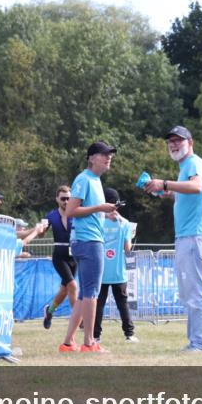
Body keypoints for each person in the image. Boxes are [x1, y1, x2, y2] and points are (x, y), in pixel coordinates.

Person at [145, 126, 202, 353]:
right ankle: (196, 341)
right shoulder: (186, 166)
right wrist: (169, 192)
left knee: (195, 292)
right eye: (170, 141)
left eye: (178, 140)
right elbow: (189, 191)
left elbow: (197, 186)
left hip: (193, 236)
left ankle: (201, 343)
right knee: (189, 292)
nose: (173, 144)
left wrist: (165, 184)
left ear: (190, 143)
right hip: (188, 236)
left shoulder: (193, 163)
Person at [60, 141, 118, 353]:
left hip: (86, 240)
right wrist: (99, 208)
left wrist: (105, 213)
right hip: (89, 241)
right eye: (104, 154)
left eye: (110, 154)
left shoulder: (94, 180)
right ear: (91, 158)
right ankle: (89, 343)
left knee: (85, 294)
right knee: (92, 293)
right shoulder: (84, 179)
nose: (108, 157)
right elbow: (71, 211)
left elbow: (87, 211)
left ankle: (68, 343)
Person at [93, 188, 138, 343]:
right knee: (122, 304)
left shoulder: (97, 221)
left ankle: (95, 336)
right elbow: (128, 249)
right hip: (118, 271)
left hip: (101, 271)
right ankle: (129, 334)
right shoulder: (125, 224)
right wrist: (131, 235)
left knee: (98, 304)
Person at [42, 185, 77, 330]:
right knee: (73, 286)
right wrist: (41, 229)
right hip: (59, 256)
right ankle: (79, 320)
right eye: (63, 199)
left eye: (68, 198)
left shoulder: (76, 213)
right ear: (57, 199)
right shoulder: (50, 216)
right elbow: (41, 234)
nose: (66, 201)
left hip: (74, 256)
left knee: (64, 290)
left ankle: (49, 311)